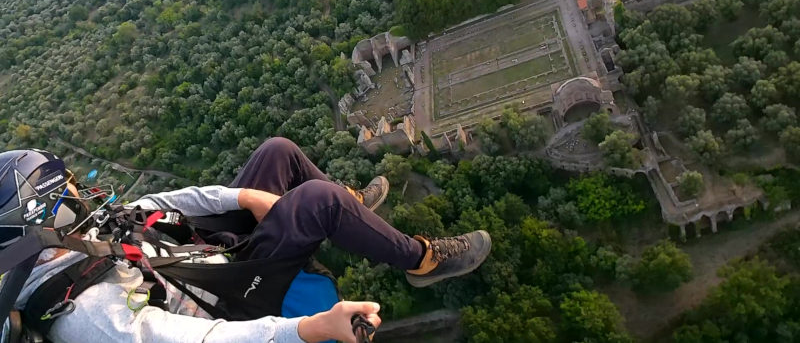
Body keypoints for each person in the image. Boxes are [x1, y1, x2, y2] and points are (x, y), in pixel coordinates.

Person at [0, 138, 492, 343]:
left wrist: (244, 196)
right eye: (68, 190)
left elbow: (159, 203)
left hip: (198, 260)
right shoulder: (84, 313)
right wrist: (307, 330)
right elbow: (204, 341)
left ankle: (351, 211)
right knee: (317, 200)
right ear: (48, 212)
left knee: (278, 153)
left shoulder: (81, 236)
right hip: (230, 302)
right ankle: (421, 260)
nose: (80, 193)